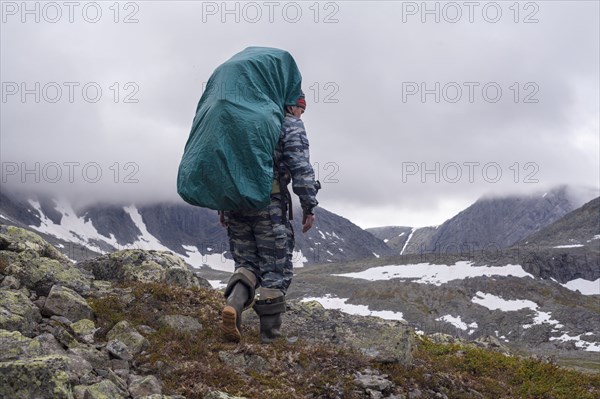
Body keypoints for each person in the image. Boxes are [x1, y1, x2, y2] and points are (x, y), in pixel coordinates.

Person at [220, 93, 319, 343]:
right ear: (291, 105)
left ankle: (234, 304)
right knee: (276, 268)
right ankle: (270, 338)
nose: (300, 115)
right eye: (300, 110)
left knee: (246, 263)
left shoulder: (240, 119)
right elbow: (300, 166)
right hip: (269, 205)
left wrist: (221, 206)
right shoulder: (286, 122)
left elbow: (222, 163)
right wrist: (308, 205)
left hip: (235, 202)